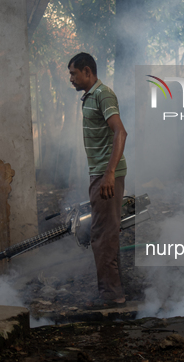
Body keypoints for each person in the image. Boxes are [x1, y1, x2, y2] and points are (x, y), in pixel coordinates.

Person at [67, 52, 127, 309]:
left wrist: (110, 173)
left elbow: (120, 132)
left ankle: (112, 296)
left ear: (87, 71)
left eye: (74, 73)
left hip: (107, 176)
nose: (71, 79)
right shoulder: (89, 97)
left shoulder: (103, 95)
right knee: (102, 233)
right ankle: (111, 291)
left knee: (103, 235)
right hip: (100, 175)